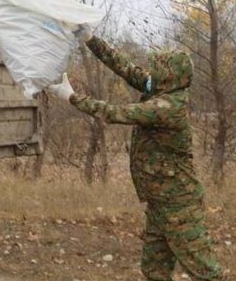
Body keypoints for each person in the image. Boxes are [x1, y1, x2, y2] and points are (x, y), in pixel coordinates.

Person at [48, 31, 223, 281]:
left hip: (179, 205)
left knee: (204, 272)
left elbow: (116, 113)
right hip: (159, 203)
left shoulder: (168, 107)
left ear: (169, 75)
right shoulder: (160, 89)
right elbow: (125, 68)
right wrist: (89, 39)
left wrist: (73, 98)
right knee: (154, 270)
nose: (151, 73)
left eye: (158, 68)